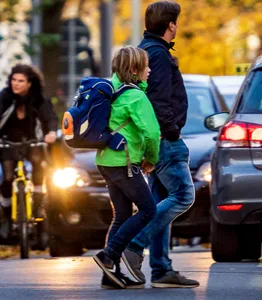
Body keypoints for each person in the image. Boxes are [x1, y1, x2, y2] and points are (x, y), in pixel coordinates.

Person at [122, 1, 200, 288]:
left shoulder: (147, 50)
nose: (177, 26)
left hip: (156, 140)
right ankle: (133, 244)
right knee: (182, 196)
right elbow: (158, 102)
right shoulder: (158, 54)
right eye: (176, 22)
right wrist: (172, 134)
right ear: (170, 25)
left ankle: (162, 269)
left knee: (159, 203)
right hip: (165, 141)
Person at [93, 46, 160, 289]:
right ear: (134, 69)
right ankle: (108, 255)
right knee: (148, 210)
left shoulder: (110, 88)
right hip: (124, 162)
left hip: (105, 161)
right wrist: (150, 159)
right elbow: (152, 133)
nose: (150, 70)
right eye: (146, 66)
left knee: (121, 215)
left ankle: (110, 275)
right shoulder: (135, 96)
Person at [0, 64, 58, 225]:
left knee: (38, 167)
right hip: (8, 140)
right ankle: (7, 215)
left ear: (29, 83)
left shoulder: (38, 98)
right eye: (14, 80)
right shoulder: (5, 96)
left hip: (32, 140)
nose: (16, 83)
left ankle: (37, 206)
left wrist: (51, 132)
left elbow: (50, 117)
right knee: (7, 178)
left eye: (21, 81)